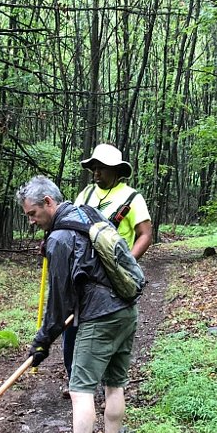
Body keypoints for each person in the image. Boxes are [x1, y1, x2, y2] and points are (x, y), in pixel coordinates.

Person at [17, 175, 139, 433]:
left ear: (49, 203)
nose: (31, 221)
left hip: (100, 317)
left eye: (32, 214)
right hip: (127, 309)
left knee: (80, 389)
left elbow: (58, 302)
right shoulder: (88, 214)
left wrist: (42, 341)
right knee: (115, 384)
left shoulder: (59, 238)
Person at [60, 143, 152, 391]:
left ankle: (101, 381)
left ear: (115, 170)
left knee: (104, 326)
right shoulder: (86, 194)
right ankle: (75, 380)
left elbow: (145, 234)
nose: (96, 172)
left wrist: (126, 264)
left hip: (113, 277)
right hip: (82, 273)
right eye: (93, 168)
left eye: (101, 168)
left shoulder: (132, 198)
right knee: (72, 325)